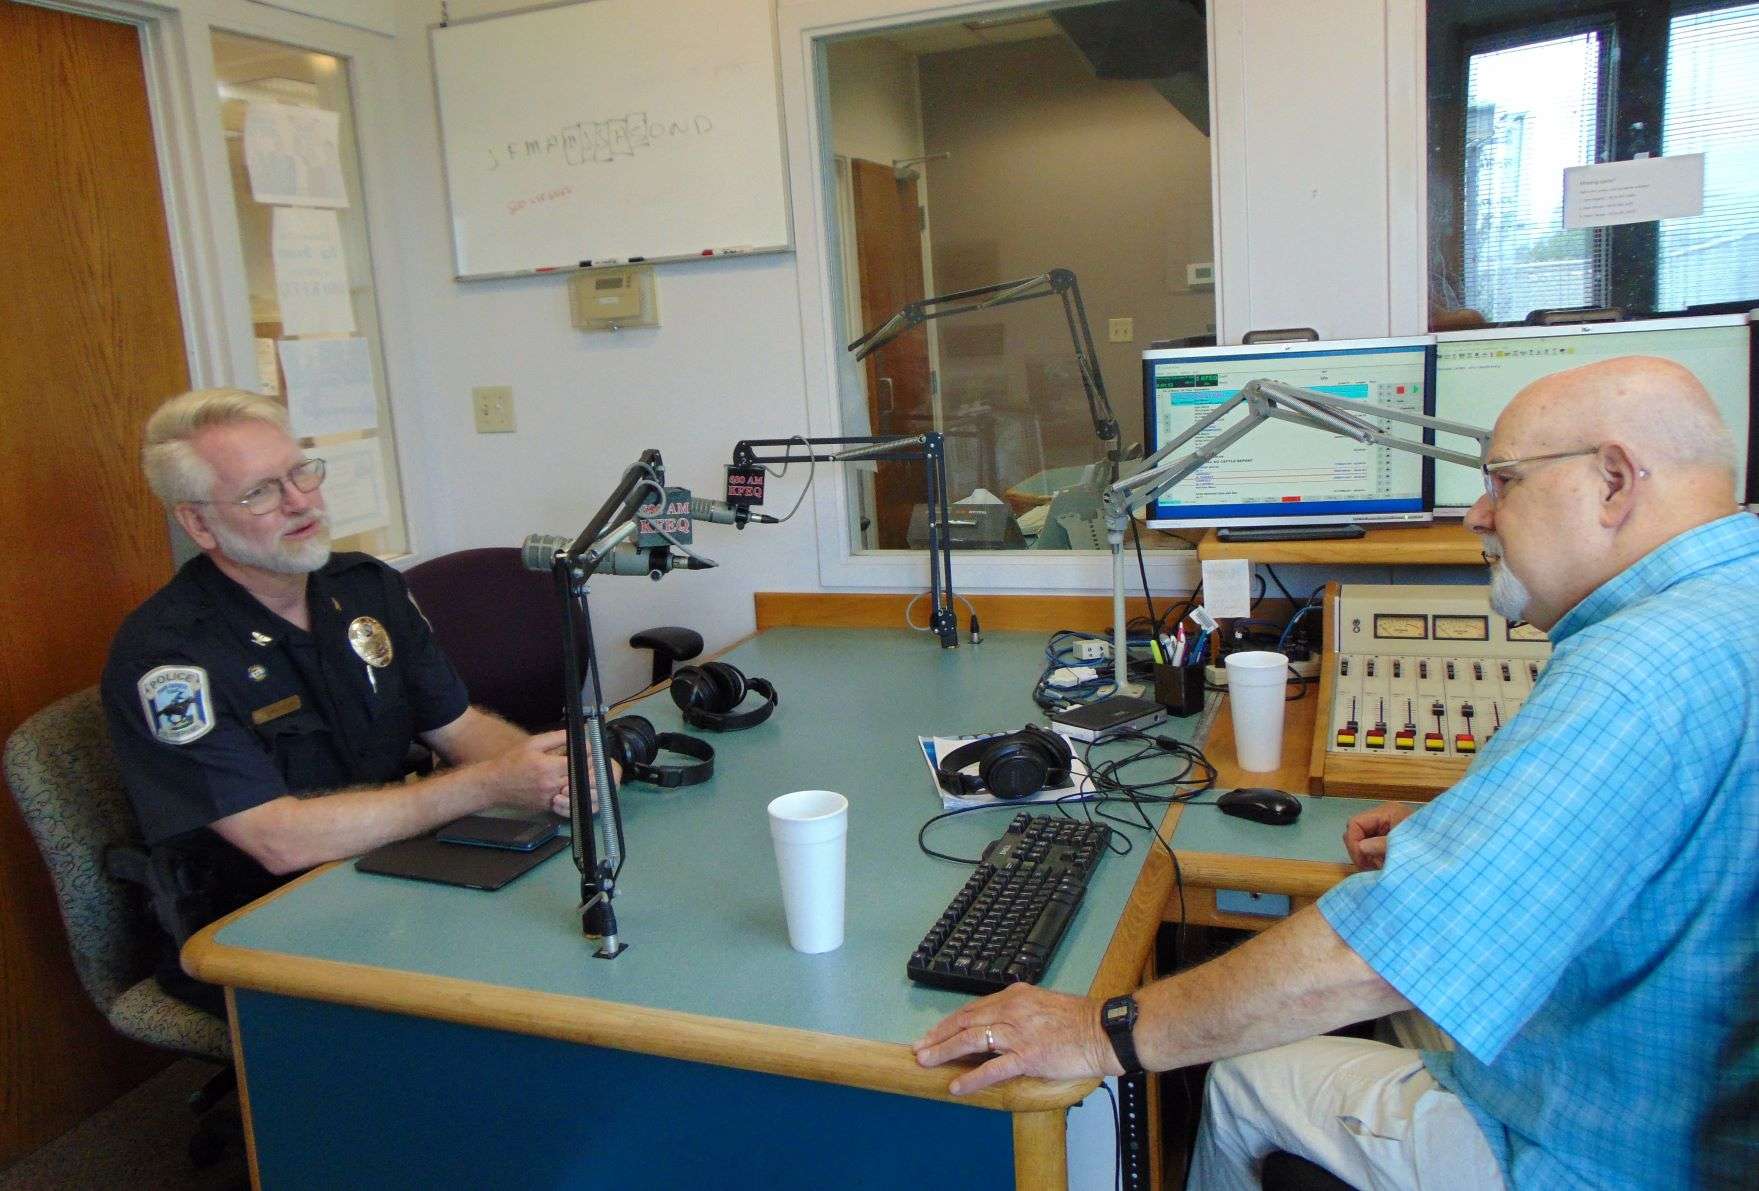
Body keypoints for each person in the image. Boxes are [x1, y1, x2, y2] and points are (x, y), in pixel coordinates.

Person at [914, 356, 1757, 1188]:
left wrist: (1103, 1031)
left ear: (1613, 480)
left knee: (1246, 1078)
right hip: (1673, 1102)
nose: (1478, 513)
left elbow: (1383, 952)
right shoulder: (1725, 603)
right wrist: (1474, 827)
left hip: (1583, 1150)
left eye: (1502, 480)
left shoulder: (1635, 667)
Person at [103, 389, 587, 1016]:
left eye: (301, 471)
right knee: (504, 1011)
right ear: (198, 524)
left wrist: (554, 770)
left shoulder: (365, 586)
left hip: (396, 872)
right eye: (261, 492)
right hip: (261, 923)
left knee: (566, 948)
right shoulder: (168, 657)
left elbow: (458, 724)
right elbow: (279, 842)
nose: (301, 501)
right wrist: (488, 786)